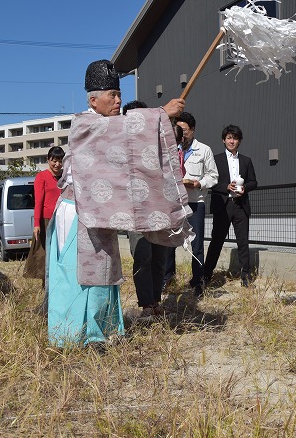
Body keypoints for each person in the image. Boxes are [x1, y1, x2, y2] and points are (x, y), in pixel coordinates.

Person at [46, 60, 185, 347]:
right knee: (79, 276)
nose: (119, 100)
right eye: (112, 95)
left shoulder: (108, 125)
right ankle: (75, 336)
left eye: (119, 94)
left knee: (104, 270)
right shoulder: (85, 124)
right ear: (93, 99)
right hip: (77, 214)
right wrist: (160, 114)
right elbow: (120, 130)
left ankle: (101, 331)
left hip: (97, 212)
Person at [163, 112, 218, 296]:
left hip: (195, 202)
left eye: (184, 130)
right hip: (173, 204)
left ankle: (198, 282)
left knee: (197, 244)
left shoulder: (204, 150)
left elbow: (213, 175)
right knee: (169, 242)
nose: (180, 133)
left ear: (192, 130)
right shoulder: (169, 150)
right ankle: (167, 278)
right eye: (177, 129)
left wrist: (199, 183)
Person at [122, 100, 169, 318]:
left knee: (160, 257)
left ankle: (156, 300)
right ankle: (146, 304)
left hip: (158, 209)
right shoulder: (121, 147)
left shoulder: (157, 144)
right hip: (134, 213)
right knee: (142, 256)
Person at [203, 124, 258, 287]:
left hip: (240, 205)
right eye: (228, 138)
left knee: (243, 242)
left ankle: (246, 278)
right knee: (216, 241)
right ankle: (206, 276)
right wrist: (225, 187)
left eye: (234, 138)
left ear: (239, 141)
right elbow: (210, 181)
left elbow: (254, 182)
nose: (231, 141)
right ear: (223, 140)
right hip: (222, 205)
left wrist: (245, 189)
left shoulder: (246, 161)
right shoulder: (215, 159)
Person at [24, 146, 64, 283]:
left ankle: (60, 282)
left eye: (60, 161)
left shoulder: (65, 177)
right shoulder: (42, 176)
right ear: (48, 160)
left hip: (63, 219)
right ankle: (46, 283)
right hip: (47, 220)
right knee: (45, 253)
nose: (57, 164)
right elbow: (38, 201)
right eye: (54, 161)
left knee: (61, 252)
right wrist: (36, 224)